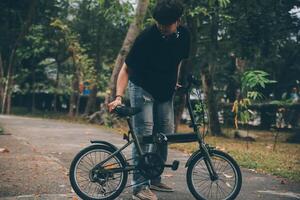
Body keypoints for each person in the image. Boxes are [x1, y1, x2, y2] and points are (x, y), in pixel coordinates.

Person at [108, 0, 190, 199]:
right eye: (159, 23)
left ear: (177, 21)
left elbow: (177, 60)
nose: (162, 27)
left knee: (164, 135)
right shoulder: (146, 38)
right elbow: (126, 69)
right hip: (142, 88)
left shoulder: (184, 35)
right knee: (144, 135)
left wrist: (175, 81)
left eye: (166, 24)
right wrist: (118, 97)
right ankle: (139, 186)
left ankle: (154, 178)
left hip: (165, 91)